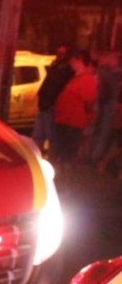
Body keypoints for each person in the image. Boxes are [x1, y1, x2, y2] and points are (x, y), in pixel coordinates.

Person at [52, 49, 98, 185]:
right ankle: (64, 181)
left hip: (73, 122)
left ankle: (68, 182)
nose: (71, 63)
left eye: (74, 60)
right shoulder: (76, 78)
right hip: (65, 121)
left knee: (68, 154)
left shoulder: (87, 79)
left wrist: (87, 119)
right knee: (63, 153)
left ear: (81, 61)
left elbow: (89, 102)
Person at [33, 45, 74, 153]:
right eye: (58, 53)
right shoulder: (55, 67)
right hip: (43, 104)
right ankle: (37, 156)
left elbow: (59, 87)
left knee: (52, 137)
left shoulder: (67, 70)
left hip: (51, 105)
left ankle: (53, 159)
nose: (59, 56)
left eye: (62, 54)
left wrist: (52, 103)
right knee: (38, 136)